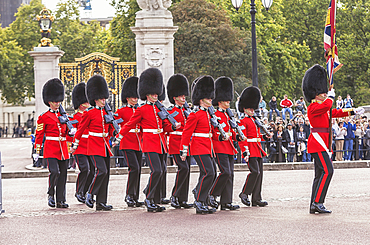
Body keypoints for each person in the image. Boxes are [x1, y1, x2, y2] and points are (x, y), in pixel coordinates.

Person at [114, 68, 180, 212]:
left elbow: (165, 127)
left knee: (162, 170)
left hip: (161, 143)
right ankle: (149, 198)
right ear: (146, 94)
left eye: (156, 93)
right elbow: (129, 124)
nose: (155, 95)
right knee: (156, 170)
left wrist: (174, 127)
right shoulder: (142, 109)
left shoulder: (159, 110)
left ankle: (154, 199)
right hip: (149, 143)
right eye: (152, 93)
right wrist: (119, 137)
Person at [302, 64, 364, 214]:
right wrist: (330, 96)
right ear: (315, 93)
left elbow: (335, 112)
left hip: (322, 143)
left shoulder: (323, 106)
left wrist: (352, 111)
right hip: (317, 143)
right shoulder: (313, 107)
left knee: (319, 175)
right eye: (321, 92)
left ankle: (314, 204)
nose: (324, 94)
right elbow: (328, 106)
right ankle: (318, 202)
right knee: (328, 171)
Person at [71, 75, 114, 211]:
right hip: (94, 145)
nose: (104, 100)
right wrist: (75, 145)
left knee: (106, 174)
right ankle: (90, 192)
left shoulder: (107, 112)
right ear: (95, 99)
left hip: (105, 145)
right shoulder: (89, 113)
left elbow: (110, 129)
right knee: (101, 171)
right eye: (101, 98)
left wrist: (114, 130)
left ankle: (101, 202)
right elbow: (80, 130)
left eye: (104, 98)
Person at [33, 78, 75, 208]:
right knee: (54, 172)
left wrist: (71, 133)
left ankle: (60, 200)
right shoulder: (43, 117)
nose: (57, 103)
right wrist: (37, 150)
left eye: (59, 101)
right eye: (55, 101)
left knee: (63, 174)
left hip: (63, 148)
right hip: (51, 149)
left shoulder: (65, 116)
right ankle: (51, 193)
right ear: (49, 102)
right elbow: (39, 135)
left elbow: (66, 133)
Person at [180, 75, 217, 214]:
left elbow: (211, 132)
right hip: (198, 147)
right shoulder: (194, 115)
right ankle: (199, 201)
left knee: (210, 173)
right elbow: (186, 133)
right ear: (201, 100)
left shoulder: (208, 114)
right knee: (209, 172)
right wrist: (184, 150)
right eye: (208, 98)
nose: (210, 100)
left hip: (208, 147)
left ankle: (201, 195)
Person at [208, 77, 240, 211]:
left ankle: (226, 201)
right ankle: (212, 194)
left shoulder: (228, 115)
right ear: (220, 101)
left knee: (230, 174)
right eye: (226, 100)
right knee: (225, 172)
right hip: (220, 147)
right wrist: (221, 137)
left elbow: (231, 131)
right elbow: (213, 131)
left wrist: (237, 136)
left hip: (229, 147)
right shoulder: (215, 114)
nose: (228, 102)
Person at [115, 76, 144, 208]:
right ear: (127, 97)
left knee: (138, 170)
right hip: (126, 142)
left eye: (136, 96)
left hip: (138, 142)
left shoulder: (139, 110)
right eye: (133, 96)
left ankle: (135, 196)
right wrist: (117, 137)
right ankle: (128, 195)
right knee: (134, 168)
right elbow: (115, 125)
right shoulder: (121, 111)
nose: (135, 99)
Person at [238, 86, 269, 208]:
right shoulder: (242, 121)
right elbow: (243, 138)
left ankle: (256, 198)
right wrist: (245, 151)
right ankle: (244, 193)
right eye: (250, 108)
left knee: (260, 174)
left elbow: (256, 136)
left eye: (253, 108)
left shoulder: (254, 120)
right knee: (255, 172)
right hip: (250, 150)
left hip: (258, 148)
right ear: (244, 109)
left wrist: (264, 137)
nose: (252, 110)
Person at [166, 74, 194, 209]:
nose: (184, 97)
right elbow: (166, 126)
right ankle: (175, 195)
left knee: (187, 170)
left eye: (184, 95)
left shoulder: (188, 111)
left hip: (186, 143)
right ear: (175, 97)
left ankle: (183, 199)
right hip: (176, 142)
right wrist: (172, 126)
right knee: (183, 168)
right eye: (181, 96)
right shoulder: (170, 111)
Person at [70, 83, 94, 204]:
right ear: (81, 104)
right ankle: (79, 191)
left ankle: (87, 191)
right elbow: (70, 134)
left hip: (90, 146)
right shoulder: (74, 117)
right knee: (85, 169)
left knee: (93, 170)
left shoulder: (90, 115)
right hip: (79, 147)